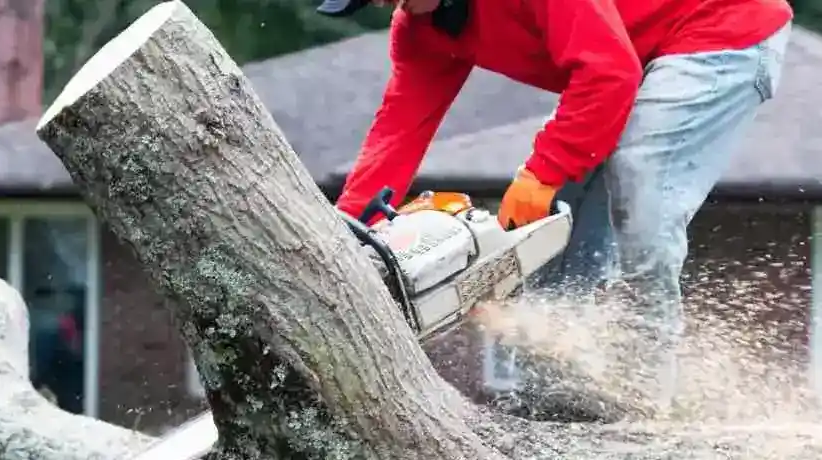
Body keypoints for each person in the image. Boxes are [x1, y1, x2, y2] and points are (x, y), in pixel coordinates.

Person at [331, 0, 793, 415]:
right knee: (553, 235)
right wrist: (344, 236)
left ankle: (648, 395)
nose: (386, 1)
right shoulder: (419, 29)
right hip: (630, 58)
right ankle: (549, 400)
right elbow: (398, 132)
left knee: (641, 180)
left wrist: (542, 173)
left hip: (720, 30)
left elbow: (608, 74)